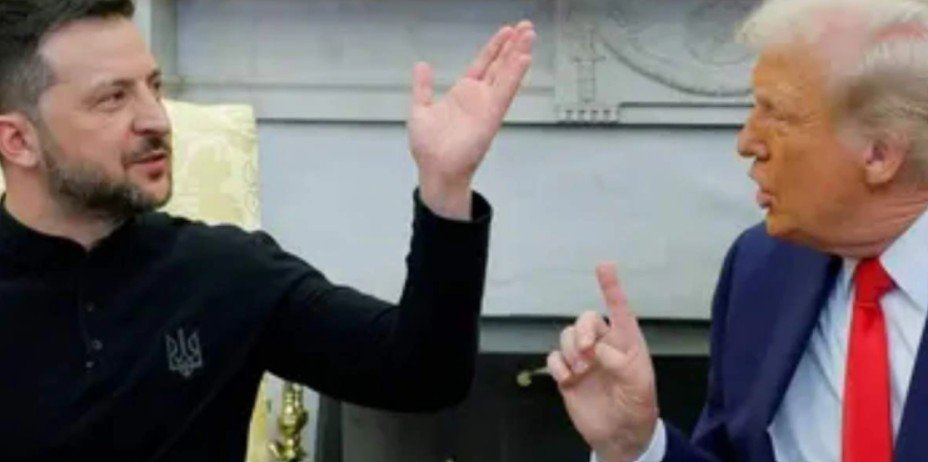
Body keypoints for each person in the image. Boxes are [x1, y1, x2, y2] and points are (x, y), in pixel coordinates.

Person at [0, 0, 534, 460]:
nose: (157, 119)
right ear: (18, 142)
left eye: (153, 87)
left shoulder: (222, 272)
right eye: (113, 98)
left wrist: (446, 186)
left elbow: (424, 373)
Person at [548, 0, 928, 461]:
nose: (748, 142)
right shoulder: (763, 268)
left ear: (880, 154)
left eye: (777, 114)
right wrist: (635, 446)